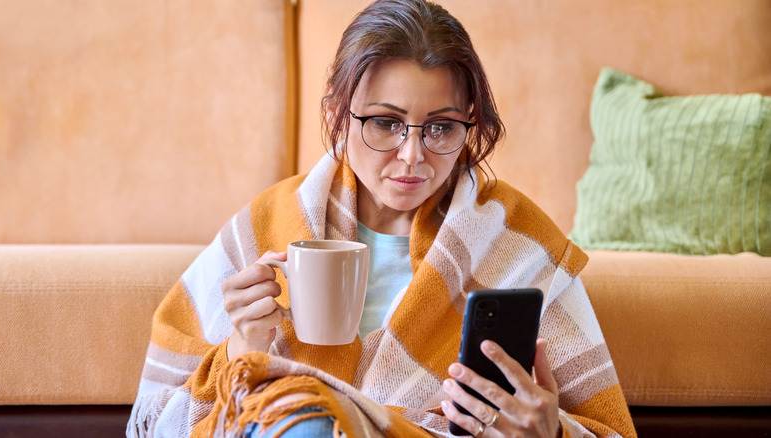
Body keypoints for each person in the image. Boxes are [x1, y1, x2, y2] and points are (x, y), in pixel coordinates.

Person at [128, 0, 637, 437]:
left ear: (470, 125)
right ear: (337, 115)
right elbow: (156, 423)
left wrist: (549, 431)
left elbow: (607, 428)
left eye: (440, 128)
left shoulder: (518, 245)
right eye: (386, 123)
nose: (413, 155)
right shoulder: (268, 225)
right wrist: (243, 347)